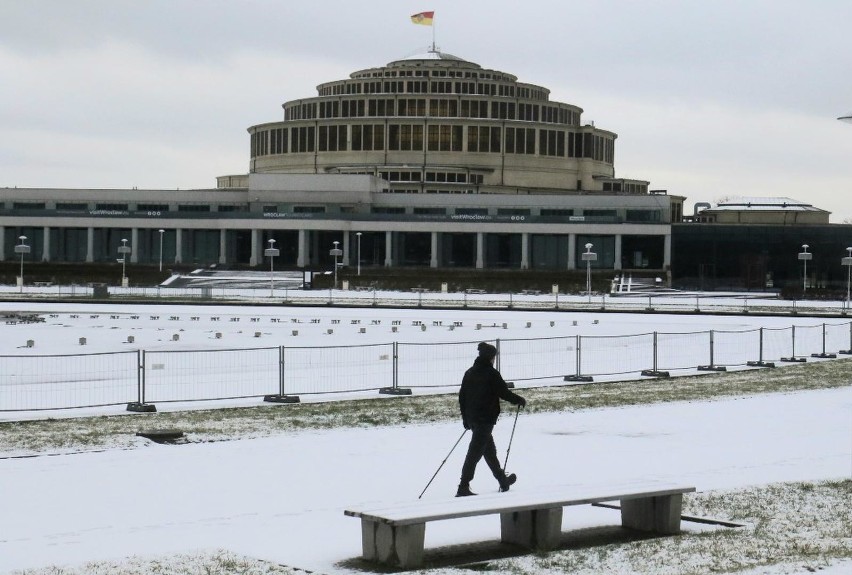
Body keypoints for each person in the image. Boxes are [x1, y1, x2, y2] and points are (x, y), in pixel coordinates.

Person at [456, 341, 527, 497]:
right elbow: (503, 392)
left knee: (489, 452)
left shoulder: (469, 372)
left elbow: (462, 397)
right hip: (485, 419)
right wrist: (519, 400)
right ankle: (463, 486)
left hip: (474, 419)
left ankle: (503, 480)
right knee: (474, 453)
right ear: (491, 357)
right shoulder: (491, 374)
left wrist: (465, 419)